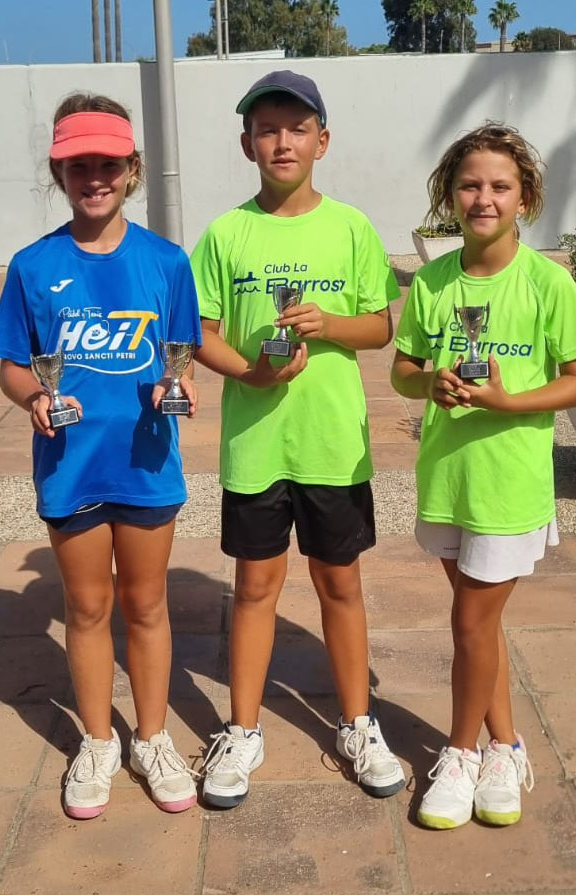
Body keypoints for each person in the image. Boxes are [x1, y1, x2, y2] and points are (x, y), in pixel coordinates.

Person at [190, 70, 405, 808]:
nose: (282, 142)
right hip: (256, 446)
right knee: (255, 588)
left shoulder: (350, 227)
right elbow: (202, 333)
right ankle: (242, 728)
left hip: (331, 443)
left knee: (339, 583)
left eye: (297, 128)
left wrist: (328, 324)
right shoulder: (226, 233)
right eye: (267, 129)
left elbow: (380, 326)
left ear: (323, 140)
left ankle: (358, 723)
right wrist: (250, 372)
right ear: (246, 143)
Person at [0, 93, 202, 819]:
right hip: (70, 465)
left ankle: (153, 736)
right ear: (59, 173)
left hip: (146, 462)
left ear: (132, 168)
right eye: (78, 165)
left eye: (108, 164)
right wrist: (33, 396)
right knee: (85, 607)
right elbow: (12, 366)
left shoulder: (166, 262)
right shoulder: (32, 265)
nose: (94, 178)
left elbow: (181, 358)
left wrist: (180, 386)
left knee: (146, 604)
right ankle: (99, 740)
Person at [391, 123, 576, 829]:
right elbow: (402, 370)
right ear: (449, 195)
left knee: (470, 621)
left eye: (500, 186)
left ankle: (459, 754)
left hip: (509, 485)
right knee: (479, 627)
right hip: (448, 478)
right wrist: (431, 382)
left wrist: (509, 401)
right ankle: (506, 746)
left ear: (525, 198)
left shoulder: (546, 281)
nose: (484, 198)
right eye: (470, 185)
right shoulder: (433, 282)